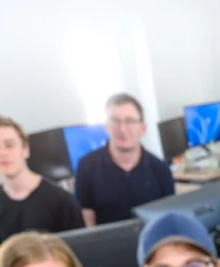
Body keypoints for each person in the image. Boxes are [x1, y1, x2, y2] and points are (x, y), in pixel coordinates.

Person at [0, 113, 85, 261]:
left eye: (9, 144)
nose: (2, 153)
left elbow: (80, 259)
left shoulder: (62, 201)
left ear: (25, 149)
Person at [74, 93, 175, 226]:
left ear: (143, 128)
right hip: (107, 245)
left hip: (150, 245)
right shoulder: (87, 166)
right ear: (106, 126)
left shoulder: (160, 169)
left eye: (130, 121)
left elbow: (168, 218)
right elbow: (87, 221)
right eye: (115, 121)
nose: (122, 129)